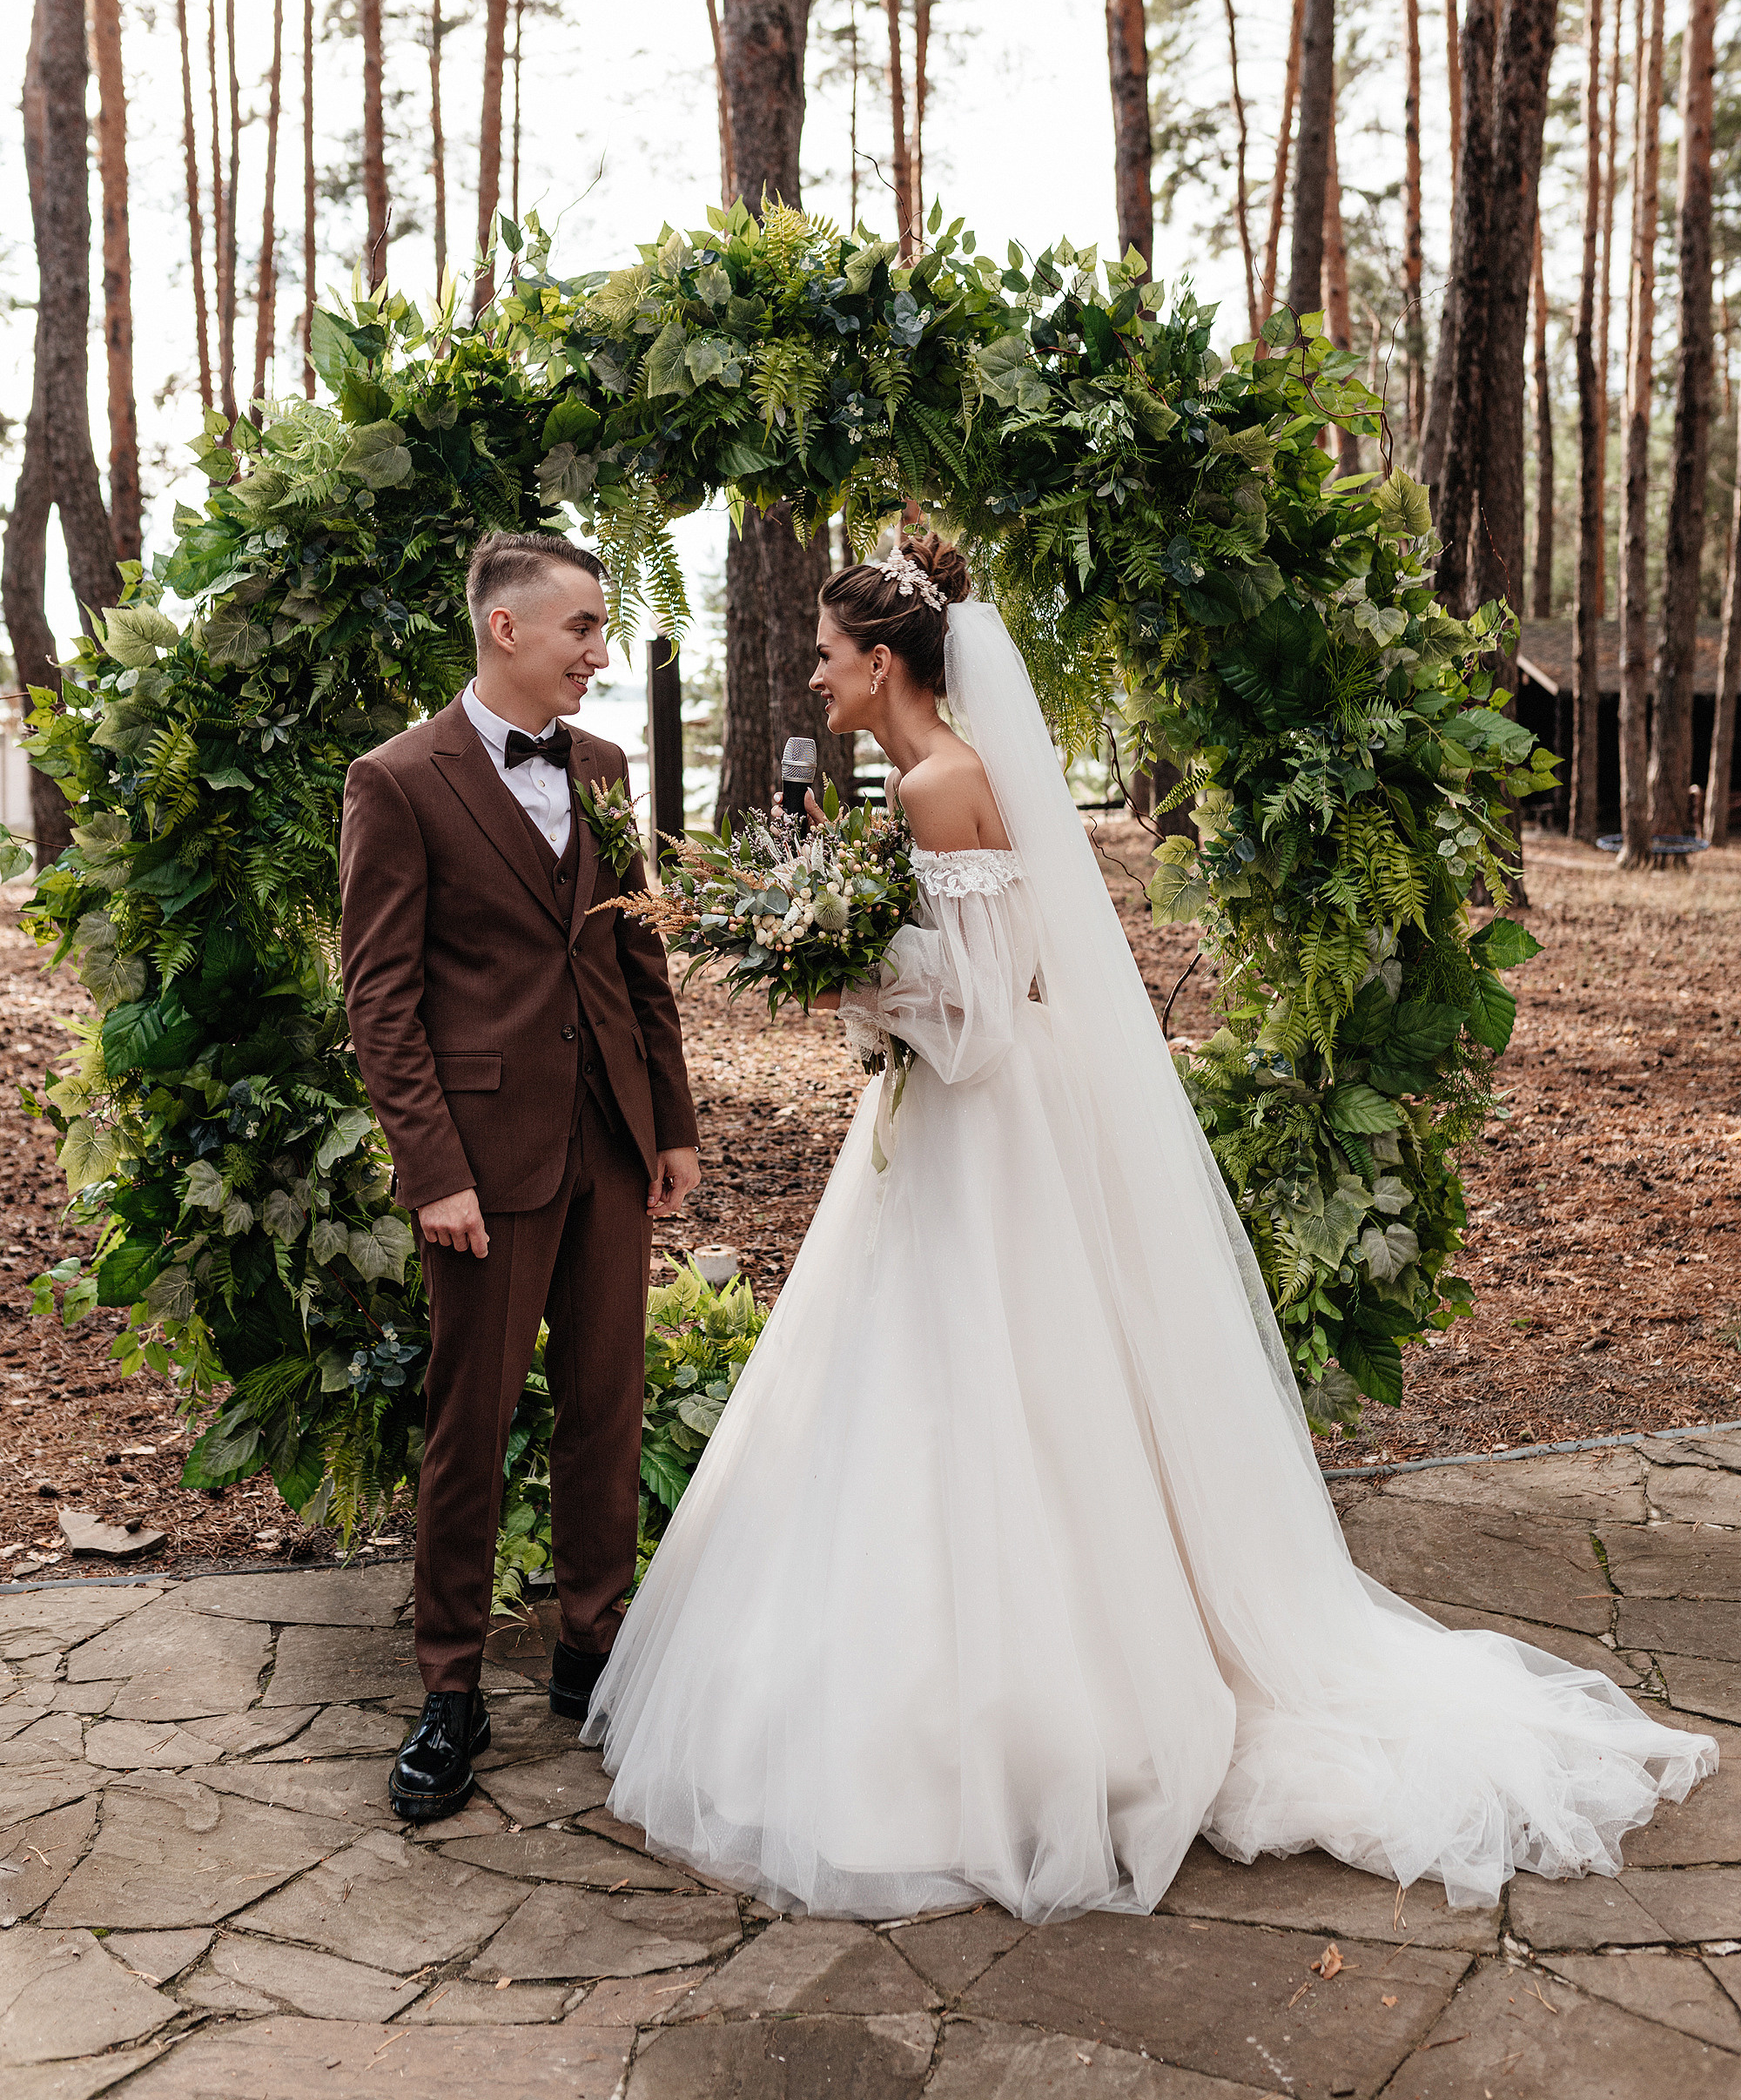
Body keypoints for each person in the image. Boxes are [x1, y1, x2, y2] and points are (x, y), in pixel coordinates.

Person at [586, 531, 1715, 1922]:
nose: (812, 676)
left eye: (824, 656)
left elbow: (987, 1023)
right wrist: (863, 961)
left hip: (982, 1130)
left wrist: (854, 984)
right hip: (968, 1129)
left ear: (882, 666)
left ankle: (1025, 1714)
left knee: (978, 1392)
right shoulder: (937, 779)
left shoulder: (942, 784)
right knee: (977, 1393)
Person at [339, 529, 700, 1822]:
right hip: (481, 1168)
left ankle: (590, 1646)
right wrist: (431, 1166)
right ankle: (449, 1687)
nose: (601, 652)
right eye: (585, 630)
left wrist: (671, 1122)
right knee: (470, 1424)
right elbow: (381, 1000)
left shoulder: (600, 767)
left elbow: (634, 956)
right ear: (508, 630)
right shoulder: (396, 782)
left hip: (608, 1140)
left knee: (608, 1402)